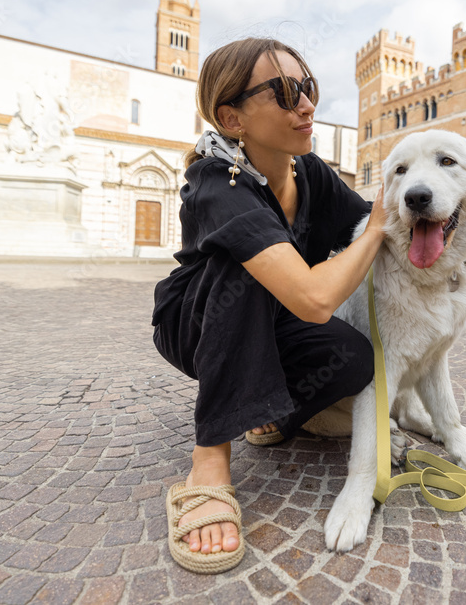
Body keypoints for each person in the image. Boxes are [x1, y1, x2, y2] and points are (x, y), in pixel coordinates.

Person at [151, 37, 386, 573]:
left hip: (274, 322)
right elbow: (315, 296)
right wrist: (375, 233)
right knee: (248, 264)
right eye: (283, 92)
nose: (306, 105)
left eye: (307, 87)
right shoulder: (216, 183)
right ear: (231, 117)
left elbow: (368, 218)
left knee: (352, 356)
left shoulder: (311, 173)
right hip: (195, 324)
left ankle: (271, 416)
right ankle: (209, 459)